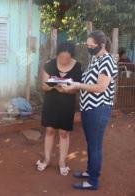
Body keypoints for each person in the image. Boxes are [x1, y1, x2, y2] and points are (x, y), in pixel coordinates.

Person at [64, 30, 118, 190]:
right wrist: (70, 82)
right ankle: (90, 171)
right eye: (87, 45)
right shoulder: (96, 59)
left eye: (91, 45)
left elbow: (101, 87)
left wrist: (78, 85)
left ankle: (93, 181)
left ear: (101, 45)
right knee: (91, 143)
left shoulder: (107, 61)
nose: (89, 48)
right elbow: (88, 81)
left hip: (99, 109)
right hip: (89, 108)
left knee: (95, 145)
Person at [36, 42, 82, 176]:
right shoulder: (49, 64)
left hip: (67, 104)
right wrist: (54, 86)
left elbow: (77, 89)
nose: (63, 61)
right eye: (61, 58)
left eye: (67, 59)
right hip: (51, 103)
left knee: (64, 133)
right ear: (57, 55)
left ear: (71, 57)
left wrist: (68, 90)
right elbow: (44, 86)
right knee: (49, 131)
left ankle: (62, 162)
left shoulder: (77, 67)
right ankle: (46, 159)